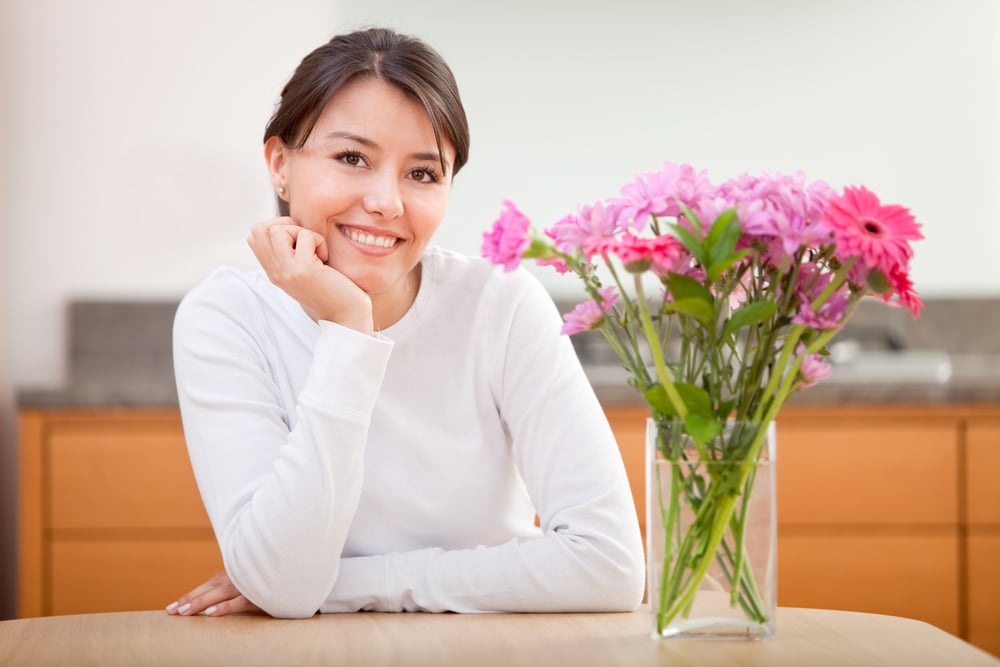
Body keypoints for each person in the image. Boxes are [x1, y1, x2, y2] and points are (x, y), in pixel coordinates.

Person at [165, 26, 644, 619]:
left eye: (422, 173)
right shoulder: (227, 319)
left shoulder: (500, 305)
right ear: (280, 164)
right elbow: (285, 587)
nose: (387, 202)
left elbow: (611, 566)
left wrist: (349, 586)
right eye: (351, 158)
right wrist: (348, 330)